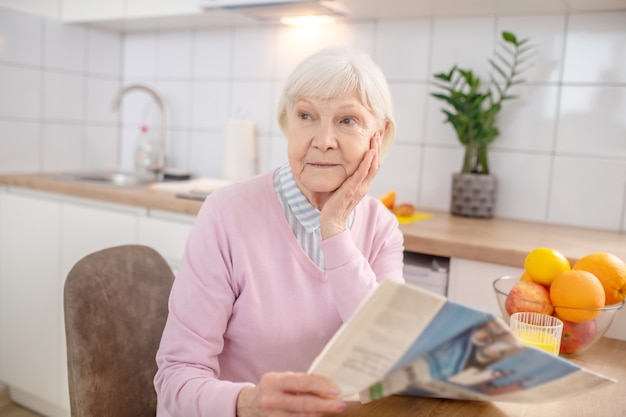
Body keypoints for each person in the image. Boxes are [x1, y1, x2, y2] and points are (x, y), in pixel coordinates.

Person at [154, 47, 404, 417]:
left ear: (377, 136)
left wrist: (334, 230)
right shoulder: (226, 215)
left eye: (347, 121)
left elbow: (389, 360)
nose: (323, 140)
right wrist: (245, 402)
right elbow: (175, 378)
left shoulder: (381, 226)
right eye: (306, 116)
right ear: (288, 122)